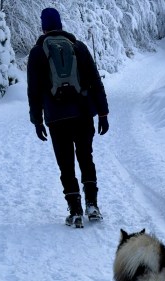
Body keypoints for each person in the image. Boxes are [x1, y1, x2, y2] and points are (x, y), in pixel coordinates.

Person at [27, 8, 110, 227]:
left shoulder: (37, 53)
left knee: (66, 163)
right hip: (83, 114)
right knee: (85, 157)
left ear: (43, 27)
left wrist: (37, 120)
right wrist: (103, 113)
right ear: (61, 25)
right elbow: (95, 80)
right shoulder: (79, 47)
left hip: (56, 118)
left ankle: (75, 210)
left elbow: (33, 90)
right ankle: (92, 205)